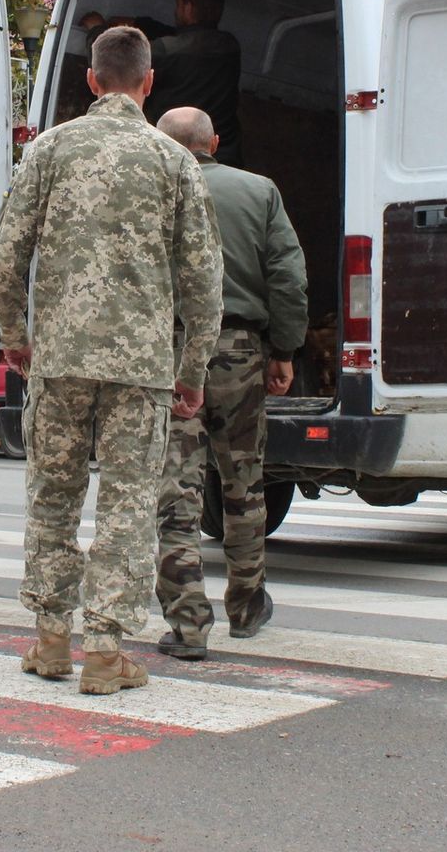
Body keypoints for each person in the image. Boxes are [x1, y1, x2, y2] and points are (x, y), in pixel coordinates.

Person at [0, 27, 224, 695]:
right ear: (148, 84)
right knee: (127, 504)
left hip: (58, 360)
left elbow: (2, 265)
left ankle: (52, 639)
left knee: (53, 499)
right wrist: (192, 371)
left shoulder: (48, 152)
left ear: (91, 81)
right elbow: (204, 282)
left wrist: (17, 336)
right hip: (140, 369)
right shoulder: (172, 161)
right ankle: (108, 652)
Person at [152, 107, 307, 660]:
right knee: (243, 482)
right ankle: (246, 604)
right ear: (215, 142)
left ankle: (188, 622)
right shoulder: (258, 191)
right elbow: (287, 275)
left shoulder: (150, 192)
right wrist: (284, 350)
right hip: (240, 351)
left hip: (166, 353)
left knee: (176, 488)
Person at [145, 0, 242, 158]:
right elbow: (192, 39)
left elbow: (115, 60)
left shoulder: (166, 51)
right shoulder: (230, 46)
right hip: (223, 158)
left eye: (178, 5)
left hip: (174, 157)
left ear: (188, 7)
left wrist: (95, 28)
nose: (176, 10)